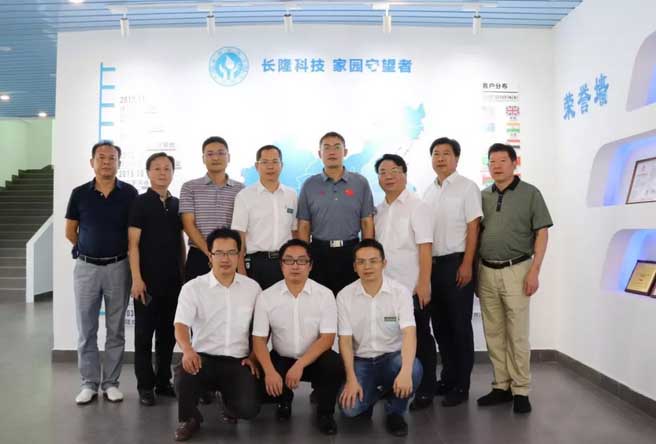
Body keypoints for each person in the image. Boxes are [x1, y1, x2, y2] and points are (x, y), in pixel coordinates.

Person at [477, 143, 553, 414]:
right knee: (493, 332)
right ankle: (501, 386)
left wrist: (535, 271)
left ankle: (521, 390)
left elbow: (542, 233)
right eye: (492, 161)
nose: (496, 166)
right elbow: (475, 235)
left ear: (514, 163)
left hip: (518, 269)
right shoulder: (482, 196)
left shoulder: (531, 193)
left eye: (502, 160)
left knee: (517, 334)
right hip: (486, 271)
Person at [65, 141, 138, 405]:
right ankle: (88, 383)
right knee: (86, 329)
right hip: (86, 268)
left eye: (112, 158)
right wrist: (87, 249)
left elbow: (133, 234)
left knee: (115, 329)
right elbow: (70, 231)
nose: (107, 162)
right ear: (92, 162)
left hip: (118, 267)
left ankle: (110, 383)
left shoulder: (129, 193)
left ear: (119, 162)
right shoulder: (79, 193)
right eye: (101, 157)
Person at [173, 228, 262, 441]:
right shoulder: (193, 287)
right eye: (219, 253)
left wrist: (253, 357)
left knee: (249, 410)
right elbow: (181, 325)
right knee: (184, 375)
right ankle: (190, 418)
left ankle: (227, 403)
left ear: (239, 255)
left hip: (237, 361)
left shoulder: (252, 288)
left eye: (231, 253)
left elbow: (261, 330)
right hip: (203, 358)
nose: (225, 259)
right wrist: (187, 350)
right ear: (210, 256)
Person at [252, 239, 343, 435]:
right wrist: (269, 372)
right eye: (289, 260)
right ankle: (283, 401)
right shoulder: (267, 296)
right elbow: (258, 340)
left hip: (314, 359)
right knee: (260, 378)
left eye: (302, 261)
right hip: (282, 358)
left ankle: (325, 413)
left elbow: (327, 338)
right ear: (281, 265)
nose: (295, 266)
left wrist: (300, 365)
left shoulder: (324, 295)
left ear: (310, 265)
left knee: (334, 364)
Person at [418, 137, 482, 408]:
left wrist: (467, 263)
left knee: (460, 327)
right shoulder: (428, 192)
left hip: (456, 265)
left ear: (457, 158)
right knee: (441, 327)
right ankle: (447, 378)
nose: (440, 158)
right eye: (436, 153)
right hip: (432, 267)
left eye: (446, 153)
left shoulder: (467, 187)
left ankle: (461, 385)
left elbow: (473, 227)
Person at [337, 239, 423, 437]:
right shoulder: (344, 296)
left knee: (414, 369)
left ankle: (395, 411)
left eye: (373, 261)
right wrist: (351, 379)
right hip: (362, 361)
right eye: (361, 262)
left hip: (392, 358)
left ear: (384, 263)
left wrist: (405, 371)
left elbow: (409, 333)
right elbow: (345, 341)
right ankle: (376, 393)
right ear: (354, 266)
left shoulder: (400, 293)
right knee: (349, 409)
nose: (367, 267)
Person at [373, 154, 437, 410]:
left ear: (404, 174)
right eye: (383, 172)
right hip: (385, 288)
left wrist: (424, 283)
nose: (388, 176)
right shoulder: (378, 210)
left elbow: (425, 247)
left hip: (411, 287)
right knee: (390, 338)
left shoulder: (417, 206)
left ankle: (426, 389)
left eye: (394, 171)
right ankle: (393, 387)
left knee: (420, 337)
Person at [128, 152, 185, 406]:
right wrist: (136, 278)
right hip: (147, 283)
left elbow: (180, 242)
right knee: (143, 336)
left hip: (173, 282)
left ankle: (163, 381)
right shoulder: (140, 203)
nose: (163, 173)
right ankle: (145, 386)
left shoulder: (177, 204)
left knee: (167, 336)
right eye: (157, 168)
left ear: (172, 172)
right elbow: (133, 244)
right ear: (148, 172)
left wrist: (183, 274)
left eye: (167, 168)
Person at [297, 131, 375, 296]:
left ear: (345, 152)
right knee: (320, 301)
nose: (332, 152)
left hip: (351, 252)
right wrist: (304, 257)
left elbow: (367, 222)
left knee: (351, 301)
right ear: (320, 154)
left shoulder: (360, 182)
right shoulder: (310, 185)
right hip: (319, 252)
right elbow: (304, 225)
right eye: (326, 148)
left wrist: (367, 254)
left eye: (337, 147)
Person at [232, 145, 297, 290]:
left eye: (275, 162)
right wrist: (241, 270)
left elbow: (295, 231)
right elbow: (239, 235)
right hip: (257, 263)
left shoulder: (291, 195)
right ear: (257, 166)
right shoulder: (245, 196)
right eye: (265, 162)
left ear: (282, 165)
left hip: (285, 262)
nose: (270, 166)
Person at [180, 136, 244, 282]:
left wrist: (225, 255)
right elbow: (188, 224)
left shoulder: (241, 189)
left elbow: (242, 227)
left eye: (221, 153)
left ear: (229, 157)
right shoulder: (190, 187)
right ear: (203, 158)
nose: (215, 157)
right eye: (210, 154)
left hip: (230, 258)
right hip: (199, 255)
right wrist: (210, 253)